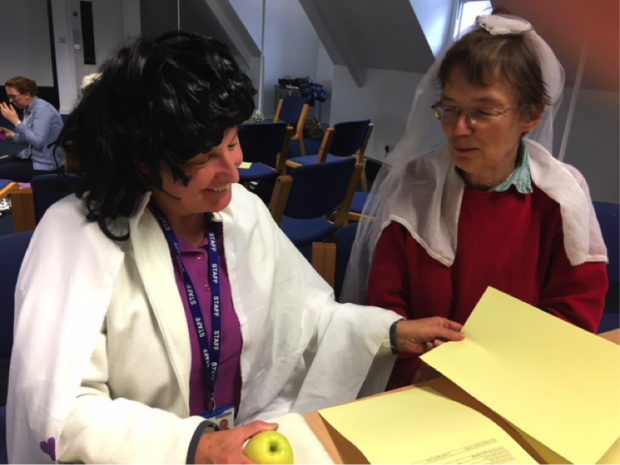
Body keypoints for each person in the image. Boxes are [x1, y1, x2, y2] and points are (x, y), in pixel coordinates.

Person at [7, 32, 464, 465]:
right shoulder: (76, 238)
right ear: (143, 162)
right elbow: (63, 406)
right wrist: (195, 447)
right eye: (205, 157)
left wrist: (390, 333)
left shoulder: (241, 212)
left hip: (251, 437)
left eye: (232, 142)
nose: (234, 170)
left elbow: (308, 315)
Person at [341, 12, 608, 391]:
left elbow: (574, 310)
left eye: (483, 112)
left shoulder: (561, 197)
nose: (459, 128)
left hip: (522, 383)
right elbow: (387, 308)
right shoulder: (416, 186)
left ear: (530, 114)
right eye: (450, 109)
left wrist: (499, 374)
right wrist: (423, 369)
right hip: (423, 383)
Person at [0, 76, 65, 181]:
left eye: (13, 96)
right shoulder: (28, 108)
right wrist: (11, 135)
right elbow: (30, 140)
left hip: (47, 164)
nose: (10, 101)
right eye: (8, 96)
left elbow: (38, 142)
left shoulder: (42, 110)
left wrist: (16, 121)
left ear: (26, 94)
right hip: (32, 155)